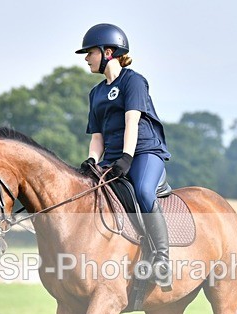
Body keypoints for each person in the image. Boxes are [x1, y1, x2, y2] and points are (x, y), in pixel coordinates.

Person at [76, 23, 173, 291]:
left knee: (142, 191)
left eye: (90, 52)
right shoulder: (95, 93)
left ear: (108, 52)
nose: (86, 58)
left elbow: (132, 122)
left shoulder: (134, 81)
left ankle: (163, 261)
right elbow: (97, 136)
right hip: (113, 158)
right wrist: (93, 161)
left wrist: (127, 158)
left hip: (144, 152)